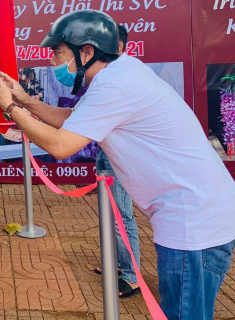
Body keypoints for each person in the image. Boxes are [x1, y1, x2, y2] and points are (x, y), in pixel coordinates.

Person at [0, 10, 235, 320]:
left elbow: (60, 145)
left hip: (194, 226)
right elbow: (71, 120)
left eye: (57, 54)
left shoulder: (115, 86)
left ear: (86, 51)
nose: (53, 63)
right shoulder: (120, 73)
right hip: (201, 215)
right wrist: (23, 99)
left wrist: (9, 106)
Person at [93, 24, 141, 298]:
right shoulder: (108, 77)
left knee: (122, 216)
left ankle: (132, 276)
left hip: (120, 158)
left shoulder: (122, 79)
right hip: (107, 153)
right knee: (110, 214)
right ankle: (117, 264)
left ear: (118, 47)